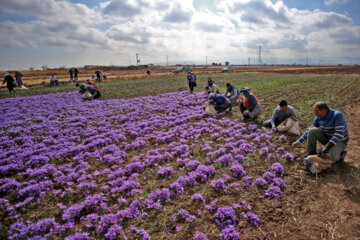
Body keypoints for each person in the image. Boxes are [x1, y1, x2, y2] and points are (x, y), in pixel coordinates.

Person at [292, 102, 349, 172]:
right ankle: (312, 154)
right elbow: (311, 128)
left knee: (329, 156)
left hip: (340, 142)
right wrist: (298, 141)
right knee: (312, 131)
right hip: (328, 138)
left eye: (317, 112)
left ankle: (339, 155)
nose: (315, 114)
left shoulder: (337, 115)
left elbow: (339, 134)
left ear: (324, 110)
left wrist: (326, 148)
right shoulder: (319, 117)